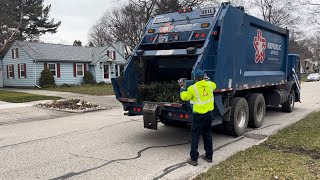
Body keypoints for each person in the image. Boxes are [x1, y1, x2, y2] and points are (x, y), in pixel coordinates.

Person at [179, 69, 216, 166]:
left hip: (198, 116)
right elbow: (214, 85)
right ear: (203, 77)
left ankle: (194, 159)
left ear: (195, 78)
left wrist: (182, 88)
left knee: (195, 136)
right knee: (207, 135)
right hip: (209, 115)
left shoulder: (192, 88)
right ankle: (209, 156)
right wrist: (207, 79)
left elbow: (184, 97)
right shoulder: (210, 85)